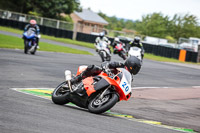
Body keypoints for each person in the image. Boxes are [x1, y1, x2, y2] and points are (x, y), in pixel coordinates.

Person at [70, 56, 142, 84]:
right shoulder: (120, 64)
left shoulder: (130, 77)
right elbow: (107, 63)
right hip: (104, 75)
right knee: (94, 68)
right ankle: (76, 79)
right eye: (135, 67)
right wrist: (106, 68)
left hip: (111, 83)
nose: (135, 70)